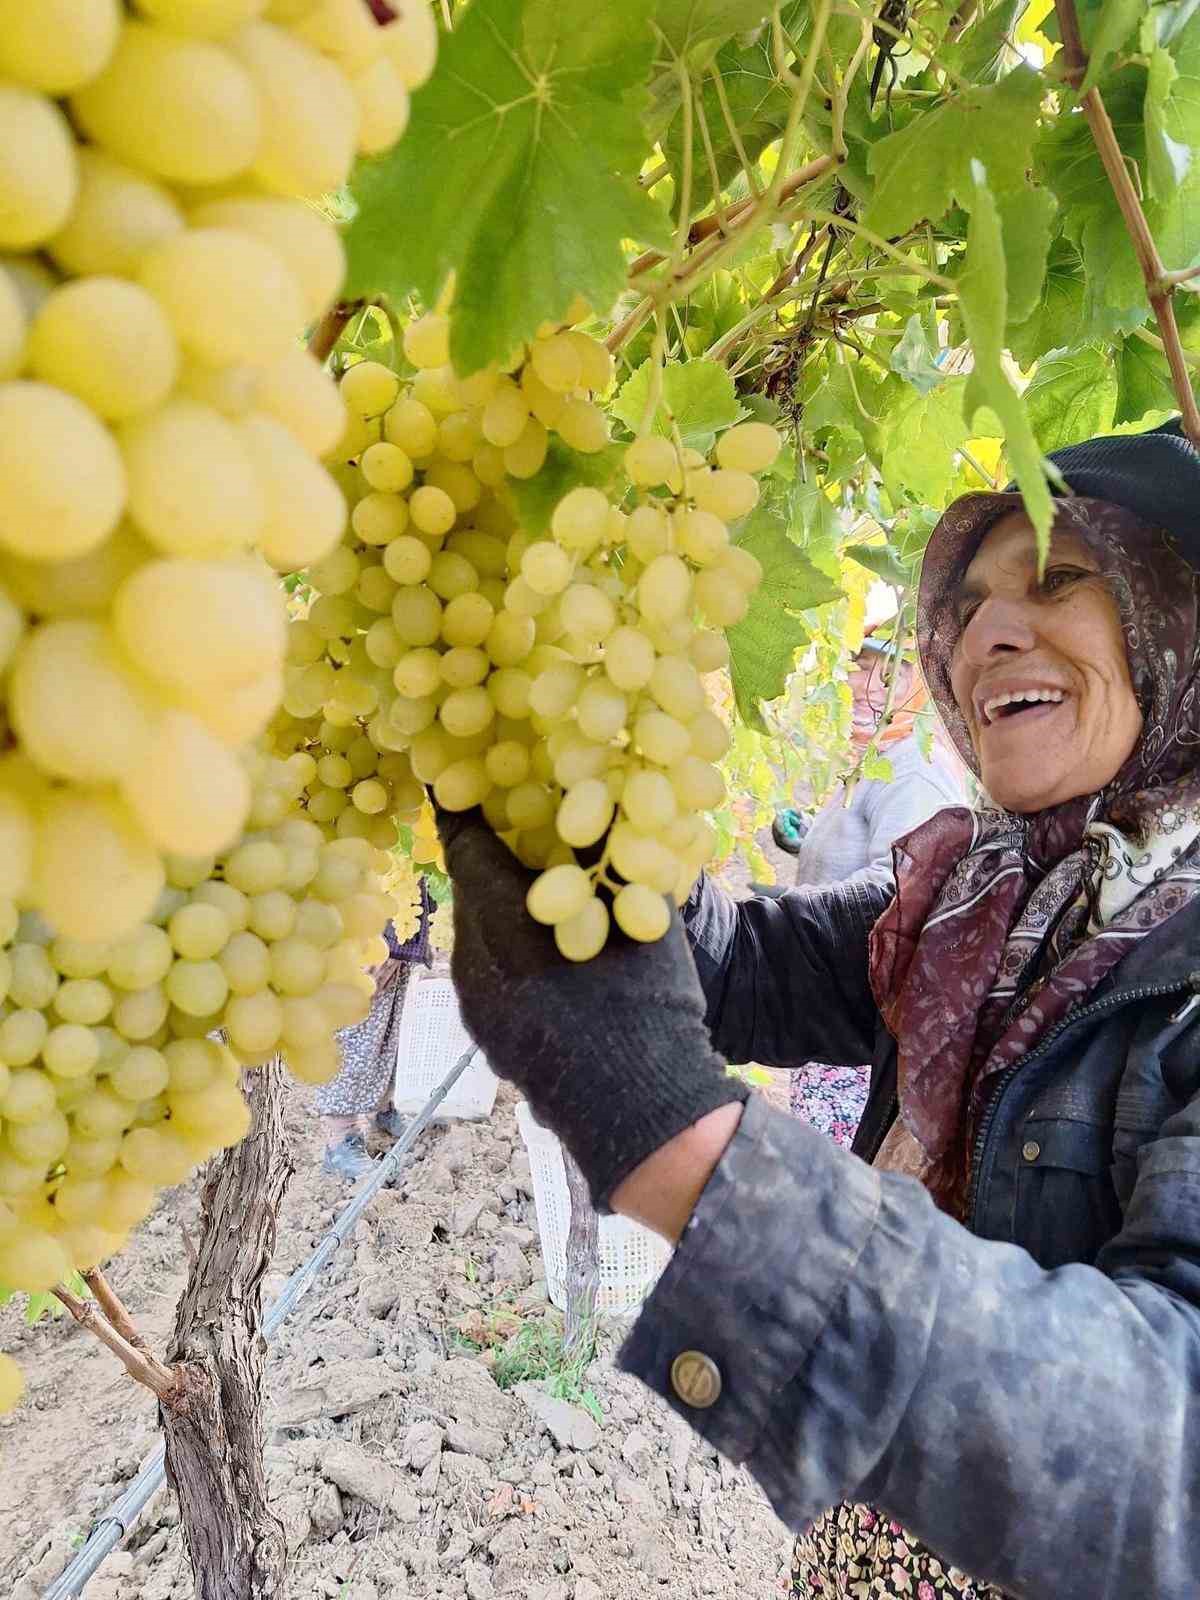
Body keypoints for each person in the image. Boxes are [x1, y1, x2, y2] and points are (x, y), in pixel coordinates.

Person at [435, 419, 1200, 1599]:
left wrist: (686, 1153)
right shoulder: (971, 899)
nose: (986, 634)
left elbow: (1171, 1452)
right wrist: (596, 840)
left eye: (1057, 576)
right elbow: (742, 964)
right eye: (973, 604)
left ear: (1177, 618)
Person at [784, 630, 963, 1144]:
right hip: (824, 992)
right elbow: (863, 850)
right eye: (859, 667)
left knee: (830, 1171)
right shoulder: (877, 759)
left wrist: (789, 911)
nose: (867, 687)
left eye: (890, 675)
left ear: (920, 690)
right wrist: (802, 842)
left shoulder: (915, 776)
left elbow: (897, 890)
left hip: (855, 1025)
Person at [316, 879, 435, 1180]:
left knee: (391, 1026)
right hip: (359, 923)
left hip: (394, 915)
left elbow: (414, 863)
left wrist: (400, 941)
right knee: (353, 1027)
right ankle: (340, 1141)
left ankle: (384, 1106)